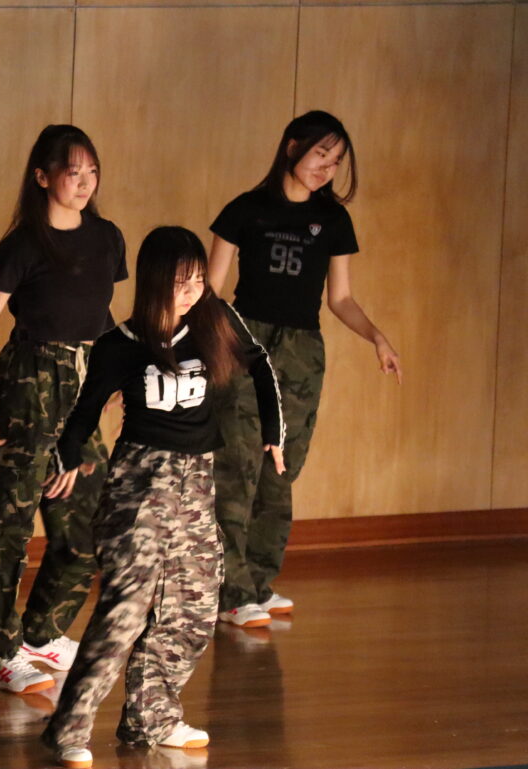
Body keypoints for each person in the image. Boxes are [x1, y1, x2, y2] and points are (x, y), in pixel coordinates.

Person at [40, 226, 284, 768]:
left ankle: (152, 717)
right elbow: (82, 414)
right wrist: (68, 459)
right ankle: (69, 727)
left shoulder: (215, 321)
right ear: (154, 282)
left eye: (198, 281)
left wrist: (273, 432)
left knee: (194, 605)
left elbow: (261, 364)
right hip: (140, 481)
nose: (192, 292)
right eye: (180, 283)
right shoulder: (119, 345)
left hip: (197, 480)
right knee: (126, 608)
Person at [0, 124, 127, 693]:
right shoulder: (24, 245)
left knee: (88, 526)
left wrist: (114, 375)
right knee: (10, 527)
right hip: (27, 384)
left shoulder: (107, 237)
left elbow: (99, 312)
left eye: (92, 171)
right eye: (73, 172)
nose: (84, 182)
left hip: (82, 386)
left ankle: (41, 633)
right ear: (43, 177)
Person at [207, 110, 402, 628]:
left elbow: (341, 299)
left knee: (281, 468)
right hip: (245, 342)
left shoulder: (333, 220)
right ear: (293, 147)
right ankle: (230, 592)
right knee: (238, 465)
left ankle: (258, 582)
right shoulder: (245, 209)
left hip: (300, 350)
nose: (327, 168)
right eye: (321, 154)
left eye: (336, 161)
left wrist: (377, 337)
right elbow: (209, 292)